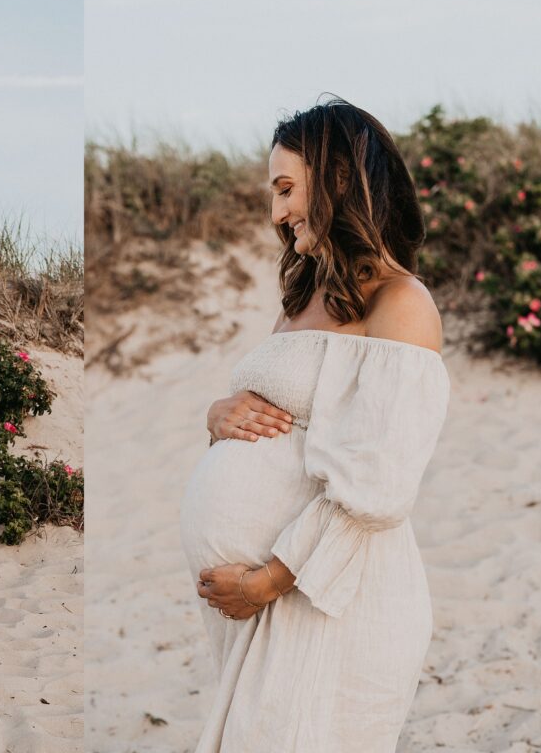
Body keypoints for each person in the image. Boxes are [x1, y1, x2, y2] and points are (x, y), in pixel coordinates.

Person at [179, 97, 451, 751]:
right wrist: (217, 416)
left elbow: (377, 488)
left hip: (334, 596)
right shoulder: (306, 300)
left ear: (337, 180)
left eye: (285, 189)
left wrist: (267, 579)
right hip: (267, 603)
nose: (275, 213)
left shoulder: (402, 303)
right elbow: (267, 411)